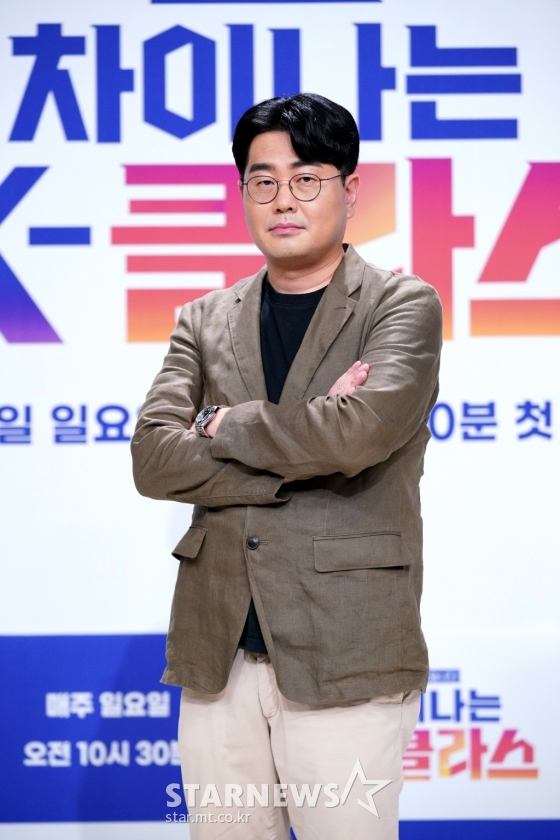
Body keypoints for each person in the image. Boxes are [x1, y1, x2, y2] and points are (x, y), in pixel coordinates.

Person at [131, 92, 442, 840]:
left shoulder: (400, 305)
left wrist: (222, 423)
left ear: (350, 189)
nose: (282, 199)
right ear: (243, 191)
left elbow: (355, 437)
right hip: (218, 654)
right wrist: (304, 441)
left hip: (345, 648)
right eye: (263, 180)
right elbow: (153, 460)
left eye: (306, 179)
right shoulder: (203, 320)